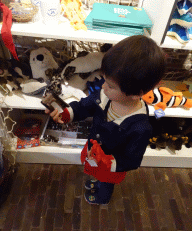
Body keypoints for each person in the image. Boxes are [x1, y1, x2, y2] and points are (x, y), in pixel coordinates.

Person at [45, 35, 166, 205]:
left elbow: (132, 159)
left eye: (110, 86)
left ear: (136, 94)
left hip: (110, 166)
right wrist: (67, 113)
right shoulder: (104, 95)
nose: (103, 87)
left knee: (106, 182)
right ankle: (98, 179)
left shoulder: (140, 127)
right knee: (96, 173)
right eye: (104, 80)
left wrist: (109, 162)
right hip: (92, 152)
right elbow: (84, 105)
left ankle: (103, 197)